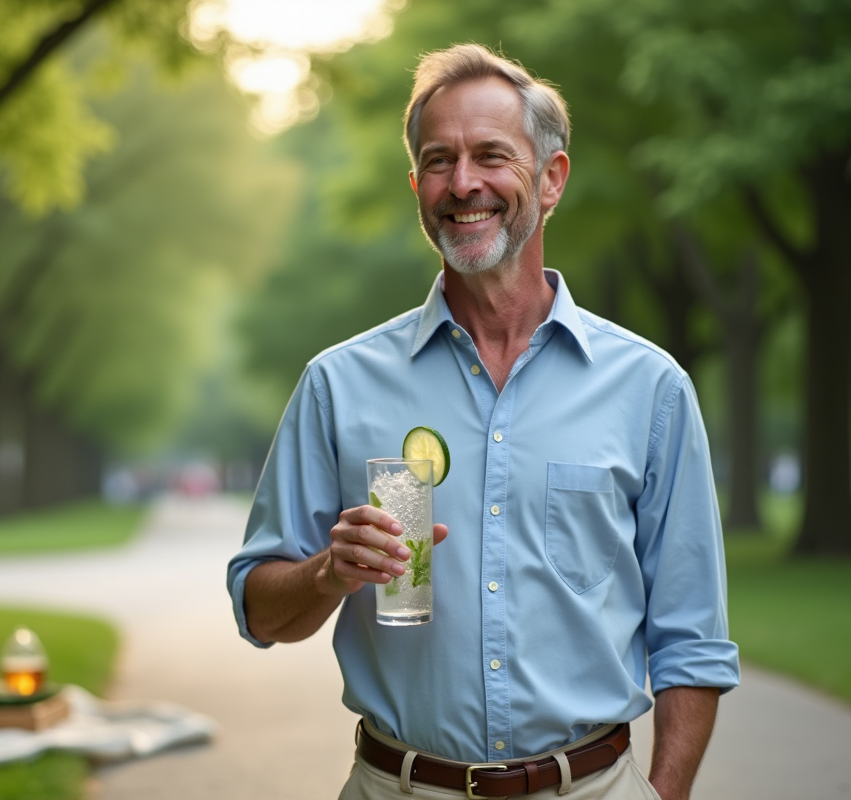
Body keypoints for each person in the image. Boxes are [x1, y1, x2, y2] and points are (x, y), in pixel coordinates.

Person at [227, 43, 739, 800]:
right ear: (417, 187)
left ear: (552, 178)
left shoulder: (650, 388)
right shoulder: (339, 384)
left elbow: (691, 640)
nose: (463, 183)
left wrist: (663, 793)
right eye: (439, 161)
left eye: (492, 155)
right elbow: (259, 610)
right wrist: (328, 572)